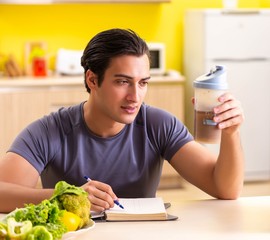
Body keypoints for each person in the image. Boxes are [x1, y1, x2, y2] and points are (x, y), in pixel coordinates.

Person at [0, 28, 244, 213]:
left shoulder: (159, 125)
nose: (135, 97)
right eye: (122, 81)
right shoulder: (49, 131)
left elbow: (225, 189)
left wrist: (231, 134)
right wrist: (63, 196)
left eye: (143, 82)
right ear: (92, 80)